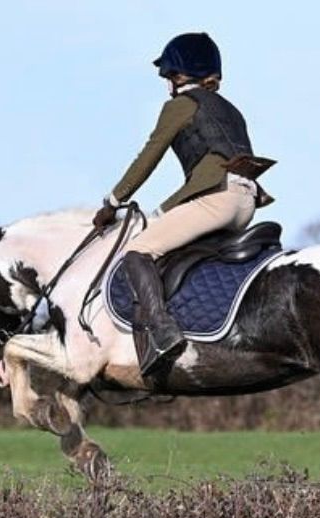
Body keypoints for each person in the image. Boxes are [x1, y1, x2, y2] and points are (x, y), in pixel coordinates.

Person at [93, 32, 275, 377]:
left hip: (217, 198)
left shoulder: (180, 105)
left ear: (179, 75)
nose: (168, 84)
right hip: (246, 201)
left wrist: (113, 201)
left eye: (170, 76)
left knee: (138, 252)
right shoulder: (230, 110)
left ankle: (162, 331)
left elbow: (149, 156)